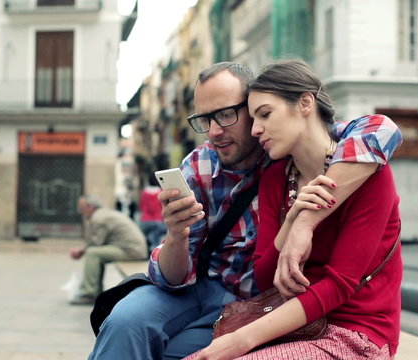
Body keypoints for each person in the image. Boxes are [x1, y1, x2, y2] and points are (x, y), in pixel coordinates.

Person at [88, 62, 402, 359]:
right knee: (124, 323)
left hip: (265, 306)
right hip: (204, 286)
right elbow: (174, 277)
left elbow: (381, 131)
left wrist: (305, 220)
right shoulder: (217, 168)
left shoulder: (327, 156)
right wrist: (176, 234)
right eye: (204, 120)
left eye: (225, 115)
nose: (213, 131)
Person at [190, 59, 402, 360]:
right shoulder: (277, 176)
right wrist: (291, 222)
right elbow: (265, 279)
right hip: (289, 328)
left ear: (305, 103)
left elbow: (338, 285)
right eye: (253, 118)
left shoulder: (371, 174)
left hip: (355, 333)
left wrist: (241, 340)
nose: (256, 130)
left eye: (265, 114)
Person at [70, 195, 148, 305]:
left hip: (131, 251)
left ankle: (89, 293)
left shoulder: (99, 218)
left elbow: (97, 243)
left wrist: (81, 251)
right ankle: (94, 291)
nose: (80, 211)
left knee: (93, 253)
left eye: (82, 207)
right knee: (95, 253)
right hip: (132, 249)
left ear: (91, 206)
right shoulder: (103, 214)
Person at [139, 175, 168, 252]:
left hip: (145, 220)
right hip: (157, 220)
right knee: (156, 239)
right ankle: (154, 251)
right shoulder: (160, 192)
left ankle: (144, 250)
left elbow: (141, 205)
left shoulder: (144, 192)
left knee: (143, 238)